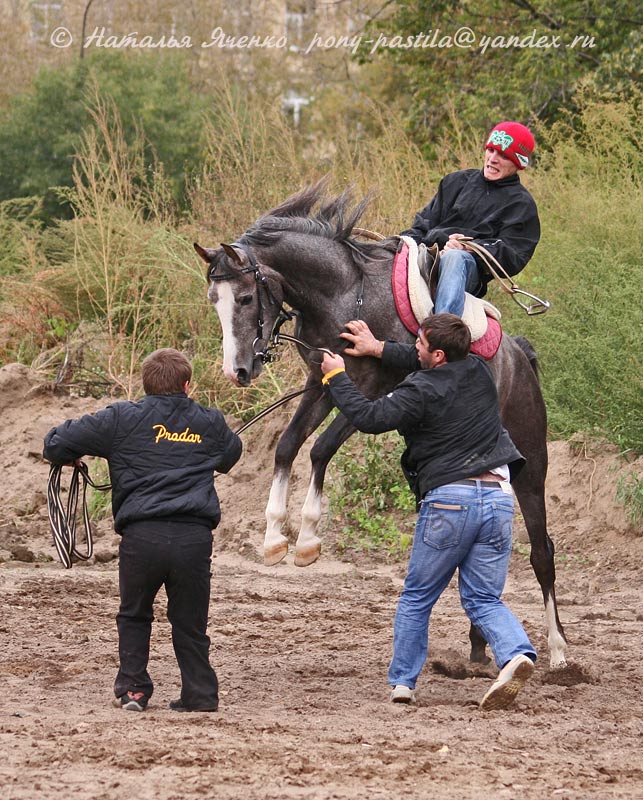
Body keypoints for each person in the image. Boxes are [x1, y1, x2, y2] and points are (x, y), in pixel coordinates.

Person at [320, 315, 537, 710]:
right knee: (484, 598)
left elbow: (370, 419)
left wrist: (336, 378)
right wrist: (377, 348)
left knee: (418, 596)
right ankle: (516, 654)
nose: (414, 347)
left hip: (450, 501)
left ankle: (403, 683)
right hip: (499, 497)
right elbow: (417, 358)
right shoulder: (477, 369)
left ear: (438, 355)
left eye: (419, 343)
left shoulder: (419, 390)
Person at [43, 348, 242, 713]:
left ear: (145, 385)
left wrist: (70, 455)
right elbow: (231, 455)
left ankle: (133, 691)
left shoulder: (121, 417)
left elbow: (55, 442)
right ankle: (199, 694)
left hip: (142, 538)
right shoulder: (210, 421)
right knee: (190, 621)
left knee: (134, 614)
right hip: (193, 540)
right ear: (187, 385)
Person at [401, 121, 540, 318]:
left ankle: (442, 332)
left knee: (454, 258)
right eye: (491, 150)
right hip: (426, 254)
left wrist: (469, 248)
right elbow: (422, 224)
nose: (493, 159)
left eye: (503, 155)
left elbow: (513, 254)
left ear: (518, 162)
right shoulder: (455, 181)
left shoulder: (521, 205)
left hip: (467, 270)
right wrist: (400, 243)